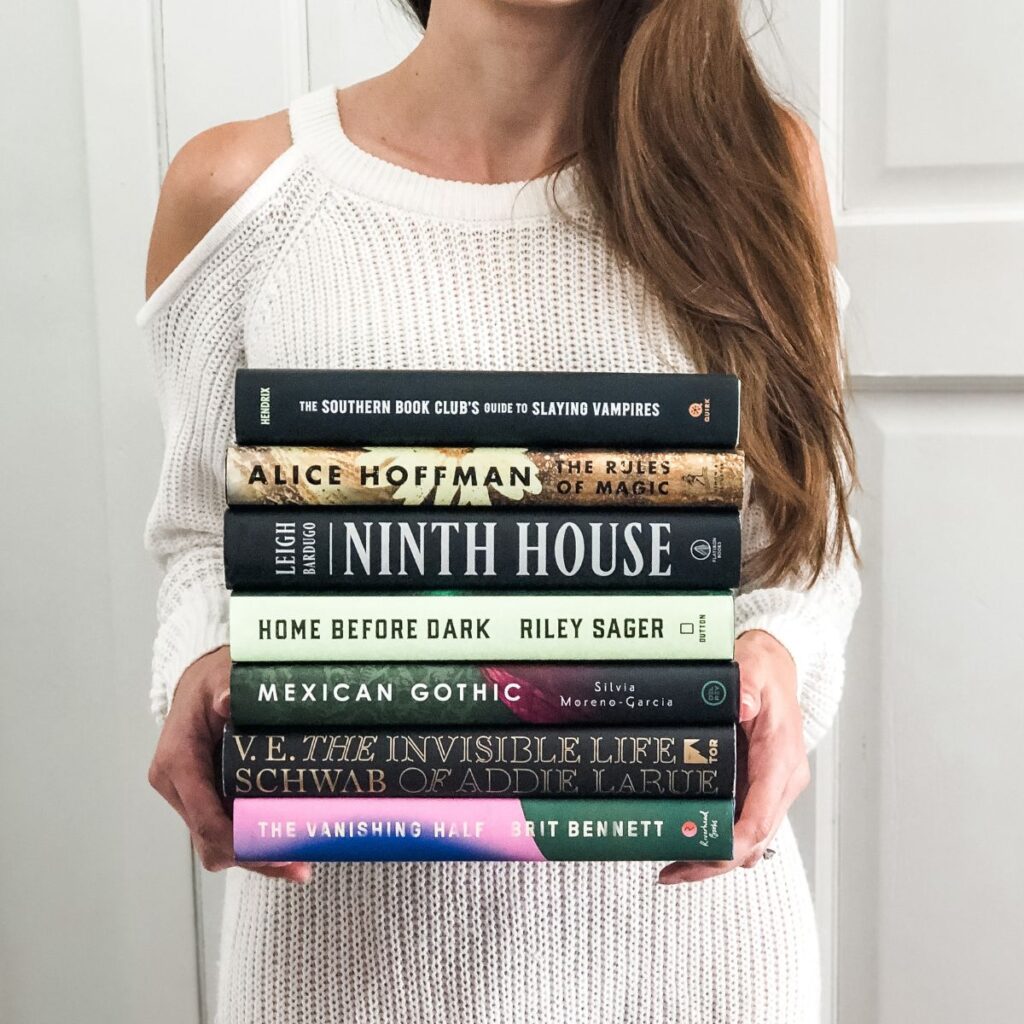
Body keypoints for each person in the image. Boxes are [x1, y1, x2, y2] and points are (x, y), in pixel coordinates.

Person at [140, 1, 861, 1021]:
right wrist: (199, 667)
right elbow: (200, 538)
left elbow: (804, 547)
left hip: (687, 958)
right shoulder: (240, 192)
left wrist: (777, 656)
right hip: (348, 961)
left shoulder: (756, 165)